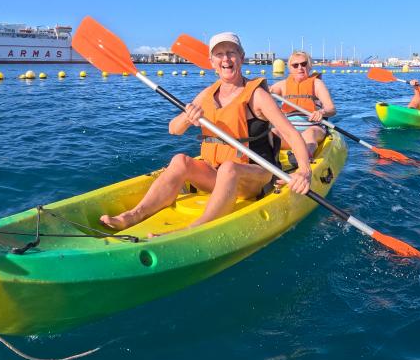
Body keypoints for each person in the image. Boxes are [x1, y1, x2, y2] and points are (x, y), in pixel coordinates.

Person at [100, 32, 313, 233]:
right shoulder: (207, 94)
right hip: (218, 172)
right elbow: (173, 129)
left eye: (231, 52)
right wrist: (187, 117)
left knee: (229, 168)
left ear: (241, 57)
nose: (226, 59)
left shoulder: (257, 96)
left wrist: (304, 171)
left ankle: (195, 229)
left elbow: (292, 134)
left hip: (256, 175)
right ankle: (135, 214)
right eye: (219, 54)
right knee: (180, 160)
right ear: (212, 63)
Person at [269, 50, 336, 158]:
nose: (300, 67)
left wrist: (322, 112)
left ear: (309, 66)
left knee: (309, 134)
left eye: (303, 64)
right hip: (290, 131)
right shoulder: (282, 85)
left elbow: (331, 109)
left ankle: (304, 157)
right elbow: (265, 93)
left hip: (313, 127)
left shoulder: (317, 84)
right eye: (295, 65)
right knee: (271, 133)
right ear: (290, 68)